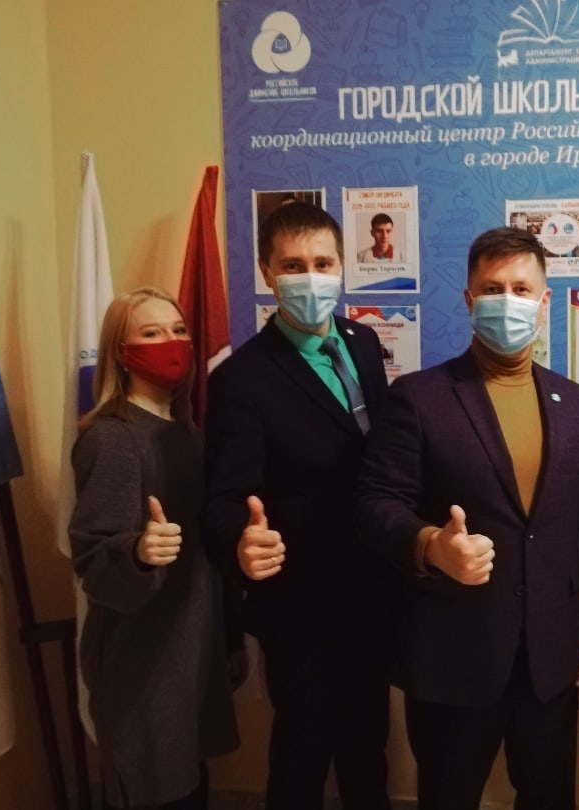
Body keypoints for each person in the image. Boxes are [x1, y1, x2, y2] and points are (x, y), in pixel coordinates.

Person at [353, 226, 579, 809]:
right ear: (469, 299)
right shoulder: (420, 398)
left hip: (551, 661)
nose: (507, 300)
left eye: (521, 289)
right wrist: (430, 545)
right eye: (492, 288)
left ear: (545, 300)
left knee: (548, 798)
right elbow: (374, 503)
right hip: (452, 656)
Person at [203, 202, 395, 810]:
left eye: (322, 263)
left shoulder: (364, 341)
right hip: (302, 606)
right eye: (292, 265)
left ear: (341, 267)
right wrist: (239, 541)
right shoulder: (242, 378)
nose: (310, 277)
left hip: (372, 590)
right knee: (301, 759)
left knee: (369, 750)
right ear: (267, 272)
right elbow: (223, 497)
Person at [69, 287, 238, 809]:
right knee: (156, 790)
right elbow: (93, 560)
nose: (171, 341)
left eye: (178, 329)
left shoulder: (184, 430)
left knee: (190, 783)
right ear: (122, 353)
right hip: (143, 662)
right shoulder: (113, 436)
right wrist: (137, 553)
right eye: (151, 332)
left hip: (188, 649)